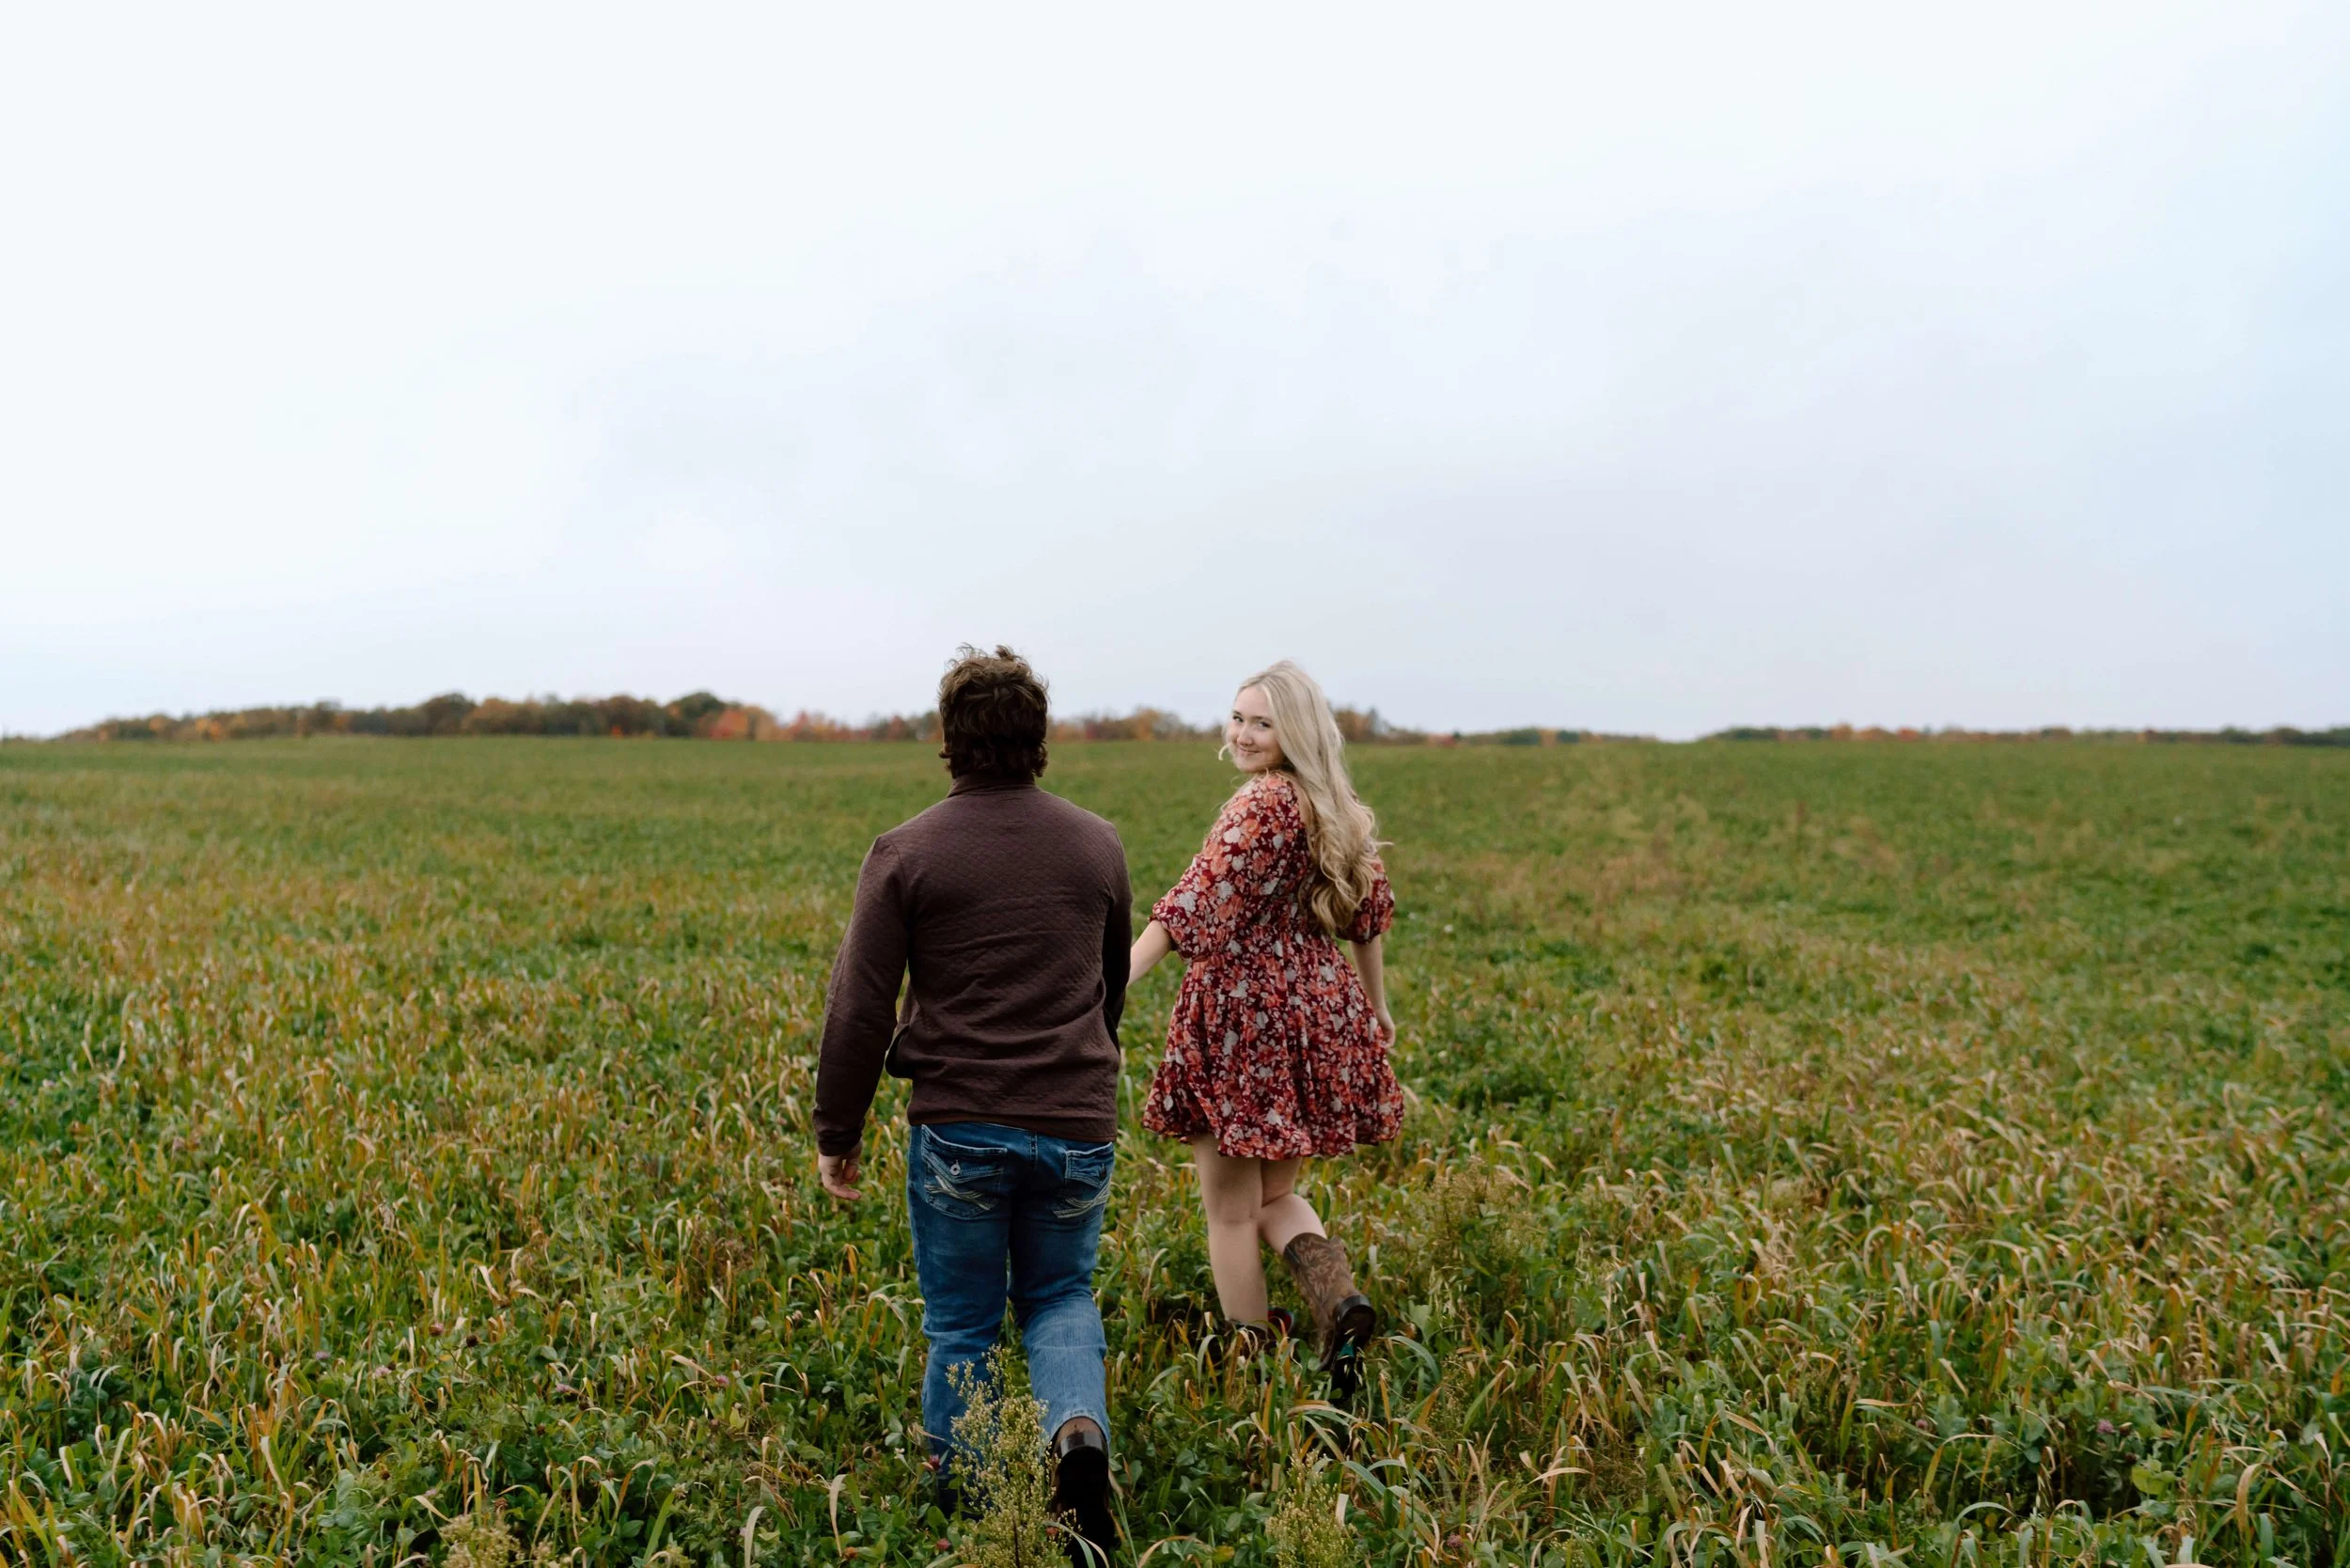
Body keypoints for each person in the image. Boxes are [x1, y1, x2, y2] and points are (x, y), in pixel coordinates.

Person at [813, 646, 1129, 1562]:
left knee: (960, 1322)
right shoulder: (1096, 843)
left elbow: (859, 1008)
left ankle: (958, 1503)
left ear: (948, 742)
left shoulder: (906, 852)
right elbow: (1106, 988)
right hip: (1076, 1121)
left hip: (958, 1127)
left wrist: (838, 1130)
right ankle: (1075, 1435)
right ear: (1040, 739)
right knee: (1061, 1296)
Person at [1128, 660, 1403, 1388]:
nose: (1244, 734)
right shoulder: (1334, 807)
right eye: (1239, 717)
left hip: (1242, 1016)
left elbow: (1192, 901)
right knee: (1274, 1197)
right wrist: (1375, 1008)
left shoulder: (1260, 805)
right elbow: (1367, 917)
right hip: (1317, 1008)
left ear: (1295, 733)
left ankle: (1251, 1367)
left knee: (1229, 1209)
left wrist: (1115, 977)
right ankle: (1336, 1299)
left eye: (1263, 722)